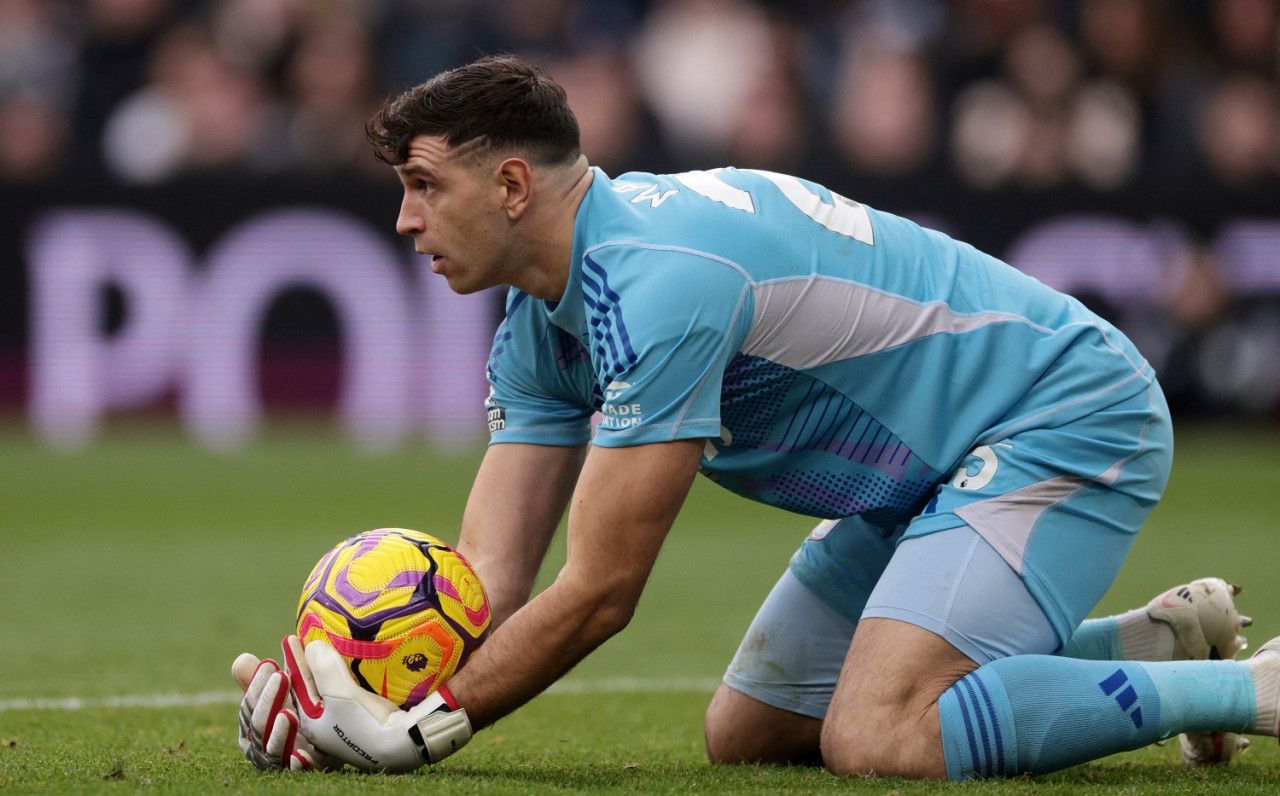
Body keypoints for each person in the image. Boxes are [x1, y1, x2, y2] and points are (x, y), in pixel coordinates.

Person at [232, 54, 1278, 780]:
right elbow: (487, 579)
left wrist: (424, 725)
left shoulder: (658, 280)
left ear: (510, 183)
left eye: (422, 184)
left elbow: (598, 592)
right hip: (921, 472)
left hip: (1057, 417)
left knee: (877, 735)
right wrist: (338, 690)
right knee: (751, 732)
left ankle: (1247, 691)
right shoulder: (542, 322)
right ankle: (1153, 643)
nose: (404, 218)